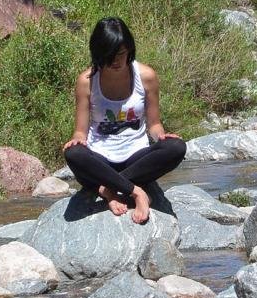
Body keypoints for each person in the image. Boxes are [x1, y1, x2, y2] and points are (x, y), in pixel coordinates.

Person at [63, 17, 186, 224]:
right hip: (100, 158)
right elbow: (80, 131)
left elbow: (154, 125)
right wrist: (77, 141)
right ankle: (137, 191)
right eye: (109, 55)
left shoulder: (146, 76)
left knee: (176, 147)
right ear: (98, 53)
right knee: (73, 153)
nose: (116, 60)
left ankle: (108, 188)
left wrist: (162, 136)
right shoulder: (86, 81)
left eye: (121, 53)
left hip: (135, 156)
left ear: (129, 49)